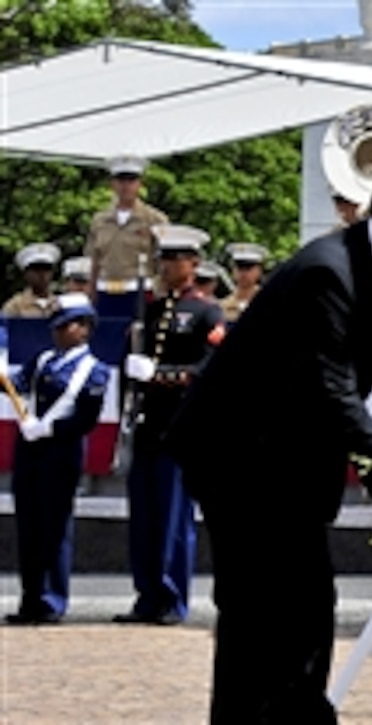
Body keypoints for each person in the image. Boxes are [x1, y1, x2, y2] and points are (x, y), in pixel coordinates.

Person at [162, 148, 372, 723]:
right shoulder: (326, 272)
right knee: (264, 614)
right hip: (239, 457)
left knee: (301, 611)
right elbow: (329, 389)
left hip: (294, 459)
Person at [113, 224, 225, 627]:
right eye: (164, 258)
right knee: (144, 516)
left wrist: (159, 373)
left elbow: (207, 371)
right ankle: (147, 595)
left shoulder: (206, 313)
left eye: (176, 259)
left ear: (193, 264)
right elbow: (128, 370)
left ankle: (172, 597)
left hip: (180, 430)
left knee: (174, 518)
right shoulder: (152, 312)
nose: (168, 266)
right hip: (147, 427)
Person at [3, 293, 110, 625]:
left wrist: (49, 430)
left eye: (66, 326)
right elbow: (17, 386)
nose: (58, 332)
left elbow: (85, 420)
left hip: (59, 454)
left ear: (84, 329)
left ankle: (52, 599)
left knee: (54, 527)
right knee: (29, 528)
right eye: (57, 326)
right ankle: (31, 598)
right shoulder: (44, 360)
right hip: (30, 453)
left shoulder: (94, 370)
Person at [84, 155, 168, 316]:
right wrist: (91, 293)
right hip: (105, 292)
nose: (126, 186)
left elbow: (163, 262)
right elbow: (95, 260)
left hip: (140, 291)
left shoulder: (154, 219)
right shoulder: (100, 220)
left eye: (131, 180)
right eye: (121, 180)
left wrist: (161, 293)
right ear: (113, 184)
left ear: (139, 184)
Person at [2, 243, 61, 318]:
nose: (41, 274)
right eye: (36, 269)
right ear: (25, 274)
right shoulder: (14, 306)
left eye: (46, 269)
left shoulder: (60, 304)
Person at [218, 243, 268, 323]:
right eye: (240, 267)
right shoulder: (221, 306)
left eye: (249, 268)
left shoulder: (269, 303)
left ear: (259, 271)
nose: (244, 273)